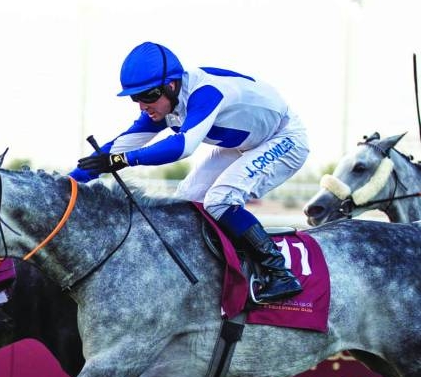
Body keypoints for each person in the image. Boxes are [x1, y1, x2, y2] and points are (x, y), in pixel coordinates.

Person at [74, 41, 308, 304]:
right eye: (135, 98)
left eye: (148, 96)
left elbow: (182, 147)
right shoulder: (164, 103)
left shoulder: (204, 93)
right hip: (243, 145)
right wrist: (68, 182)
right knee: (186, 200)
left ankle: (278, 272)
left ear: (171, 85)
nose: (142, 105)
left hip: (284, 138)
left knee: (220, 199)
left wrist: (122, 160)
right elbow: (118, 146)